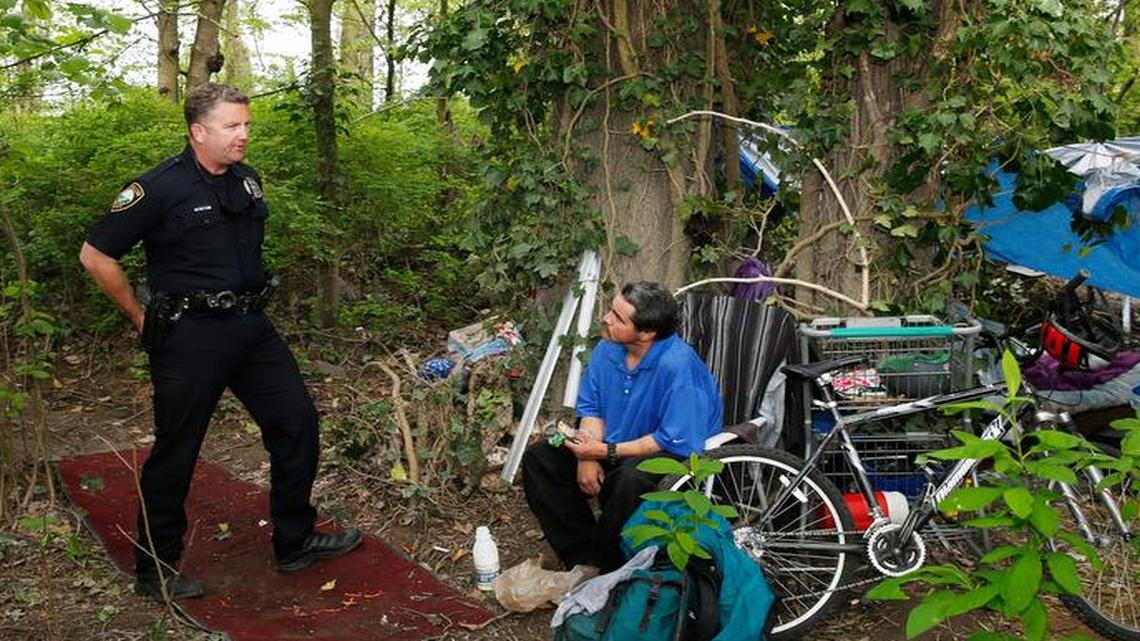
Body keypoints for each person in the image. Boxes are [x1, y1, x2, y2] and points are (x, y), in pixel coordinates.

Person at [79, 83, 361, 602]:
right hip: (189, 337)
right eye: (232, 126)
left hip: (251, 329)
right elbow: (95, 255)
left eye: (246, 125)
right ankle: (157, 569)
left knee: (297, 422)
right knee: (177, 450)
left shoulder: (247, 183)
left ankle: (294, 540)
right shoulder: (158, 187)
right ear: (198, 131)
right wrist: (139, 315)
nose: (243, 135)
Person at [522, 281, 723, 572]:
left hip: (671, 452)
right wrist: (588, 455)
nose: (606, 318)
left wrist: (605, 451)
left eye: (618, 318)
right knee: (542, 458)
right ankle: (582, 560)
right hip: (611, 444)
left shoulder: (678, 366)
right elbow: (592, 408)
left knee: (630, 479)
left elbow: (673, 439)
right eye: (610, 311)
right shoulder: (608, 349)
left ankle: (610, 566)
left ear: (646, 333)